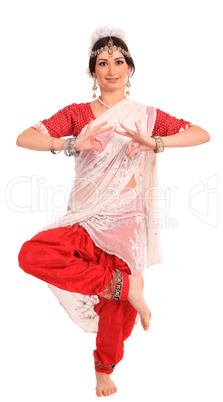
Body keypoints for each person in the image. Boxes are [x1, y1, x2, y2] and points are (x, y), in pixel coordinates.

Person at [16, 26, 210, 397]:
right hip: (87, 219)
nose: (111, 69)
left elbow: (201, 133)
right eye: (102, 63)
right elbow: (25, 137)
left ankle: (103, 370)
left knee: (118, 317)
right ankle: (123, 286)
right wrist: (72, 142)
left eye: (118, 62)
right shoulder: (77, 113)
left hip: (127, 224)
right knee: (33, 253)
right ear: (92, 71)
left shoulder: (146, 115)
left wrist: (155, 142)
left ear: (130, 68)